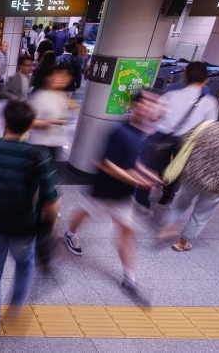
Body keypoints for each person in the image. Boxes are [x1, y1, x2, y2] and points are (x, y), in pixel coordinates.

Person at [0, 99, 60, 341]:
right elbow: (52, 202)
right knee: (24, 265)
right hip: (24, 227)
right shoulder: (38, 154)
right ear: (30, 126)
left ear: (5, 122)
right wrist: (48, 230)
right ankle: (15, 307)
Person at [64, 98, 159, 302]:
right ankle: (70, 233)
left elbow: (132, 163)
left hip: (124, 195)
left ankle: (129, 278)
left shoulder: (143, 134)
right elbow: (105, 164)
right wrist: (137, 179)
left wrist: (146, 174)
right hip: (105, 190)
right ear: (137, 105)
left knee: (124, 232)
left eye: (155, 104)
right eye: (148, 103)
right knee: (85, 213)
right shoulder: (120, 132)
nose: (151, 108)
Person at [159, 98, 219, 251]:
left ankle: (169, 226)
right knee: (201, 214)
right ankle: (182, 242)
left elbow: (183, 143)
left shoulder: (207, 126)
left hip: (192, 176)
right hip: (217, 185)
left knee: (181, 204)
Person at [135, 62, 218, 209]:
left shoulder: (170, 95)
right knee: (177, 169)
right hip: (187, 142)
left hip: (163, 137)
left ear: (185, 76)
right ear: (206, 80)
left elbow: (154, 117)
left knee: (153, 166)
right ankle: (167, 197)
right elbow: (209, 128)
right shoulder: (210, 103)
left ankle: (142, 200)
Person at [27, 64, 72, 160]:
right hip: (39, 145)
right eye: (58, 75)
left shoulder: (63, 96)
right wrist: (51, 121)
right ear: (49, 78)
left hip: (55, 143)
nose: (63, 78)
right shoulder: (40, 97)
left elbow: (65, 121)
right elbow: (30, 121)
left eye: (66, 76)